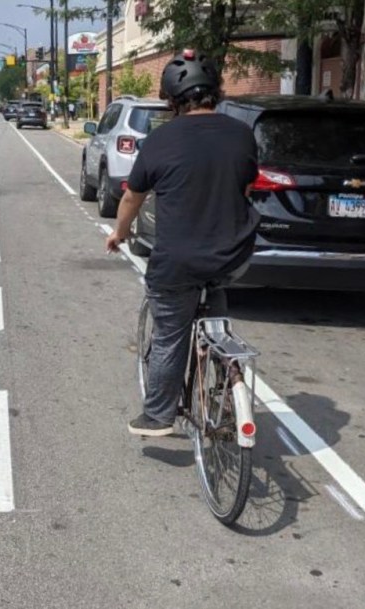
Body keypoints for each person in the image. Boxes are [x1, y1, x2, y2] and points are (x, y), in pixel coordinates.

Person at [104, 49, 259, 437]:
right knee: (215, 314)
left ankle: (158, 416)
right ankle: (225, 388)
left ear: (171, 98)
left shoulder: (160, 140)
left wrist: (119, 233)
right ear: (216, 92)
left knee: (171, 334)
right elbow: (245, 186)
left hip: (178, 261)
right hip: (232, 254)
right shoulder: (242, 134)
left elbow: (131, 198)